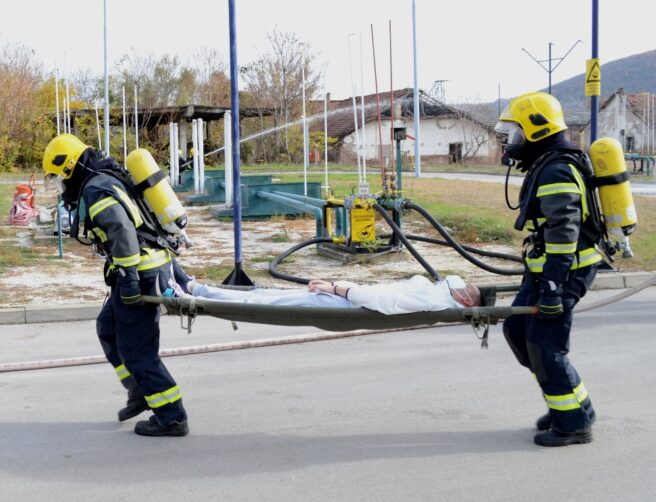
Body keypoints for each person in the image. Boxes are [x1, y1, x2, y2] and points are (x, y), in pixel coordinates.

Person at [43, 134, 189, 437]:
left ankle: (171, 416)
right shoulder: (103, 180)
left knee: (138, 352)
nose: (59, 185)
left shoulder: (96, 190)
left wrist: (130, 280)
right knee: (107, 328)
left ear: (69, 168)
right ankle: (139, 389)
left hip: (140, 273)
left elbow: (122, 231)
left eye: (58, 177)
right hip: (144, 267)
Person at [496, 92, 603, 447]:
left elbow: (564, 230)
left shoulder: (556, 168)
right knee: (516, 328)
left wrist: (554, 287)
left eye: (516, 135)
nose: (511, 144)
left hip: (564, 272)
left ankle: (573, 424)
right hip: (546, 269)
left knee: (545, 345)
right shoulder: (549, 162)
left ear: (538, 131)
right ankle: (575, 407)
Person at [188, 275, 483, 313]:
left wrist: (336, 288)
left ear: (465, 300)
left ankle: (197, 292)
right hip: (341, 295)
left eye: (465, 285)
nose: (459, 281)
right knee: (268, 295)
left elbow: (381, 301)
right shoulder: (437, 292)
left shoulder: (434, 298)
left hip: (339, 300)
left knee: (264, 301)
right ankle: (199, 288)